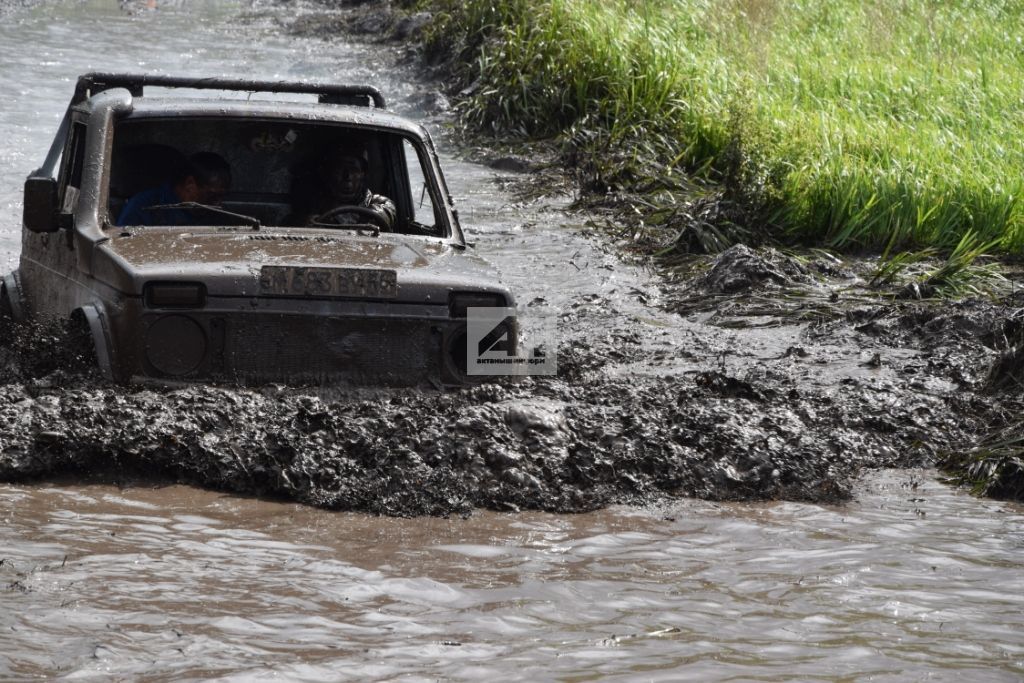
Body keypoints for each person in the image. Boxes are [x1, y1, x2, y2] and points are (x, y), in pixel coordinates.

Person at [117, 152, 231, 226]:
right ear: (190, 183)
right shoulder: (144, 207)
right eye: (212, 195)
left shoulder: (215, 214)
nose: (219, 203)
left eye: (222, 196)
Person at [292, 149, 396, 231]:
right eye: (340, 169)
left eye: (354, 170)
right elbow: (291, 223)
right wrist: (305, 223)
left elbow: (385, 213)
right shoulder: (313, 204)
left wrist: (368, 219)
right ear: (329, 173)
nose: (348, 176)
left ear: (362, 174)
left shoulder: (380, 202)